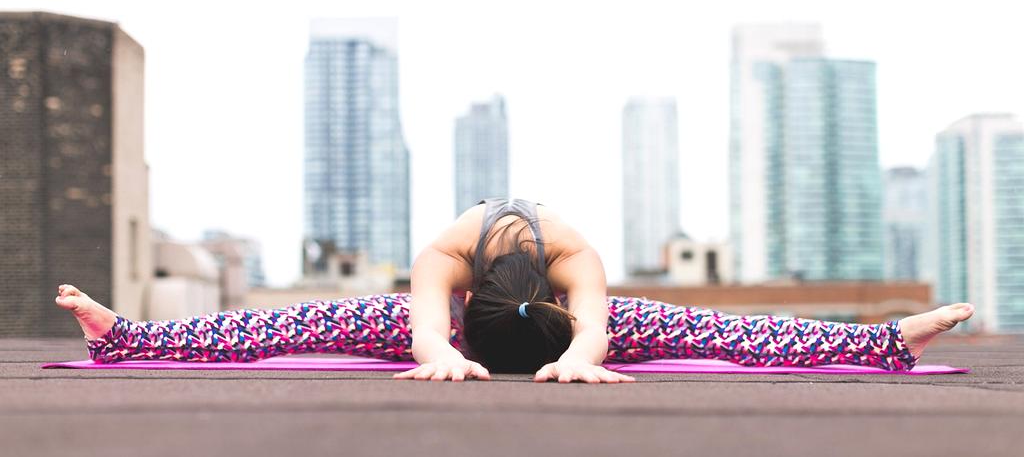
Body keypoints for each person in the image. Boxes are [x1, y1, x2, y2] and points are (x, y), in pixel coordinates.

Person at [56, 197, 974, 383]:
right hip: (461, 319)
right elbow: (420, 332)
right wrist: (441, 357)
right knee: (301, 321)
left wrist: (580, 357)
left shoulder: (579, 266)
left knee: (716, 328)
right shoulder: (443, 265)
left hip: (547, 317)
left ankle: (893, 341)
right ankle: (125, 334)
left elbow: (599, 334)